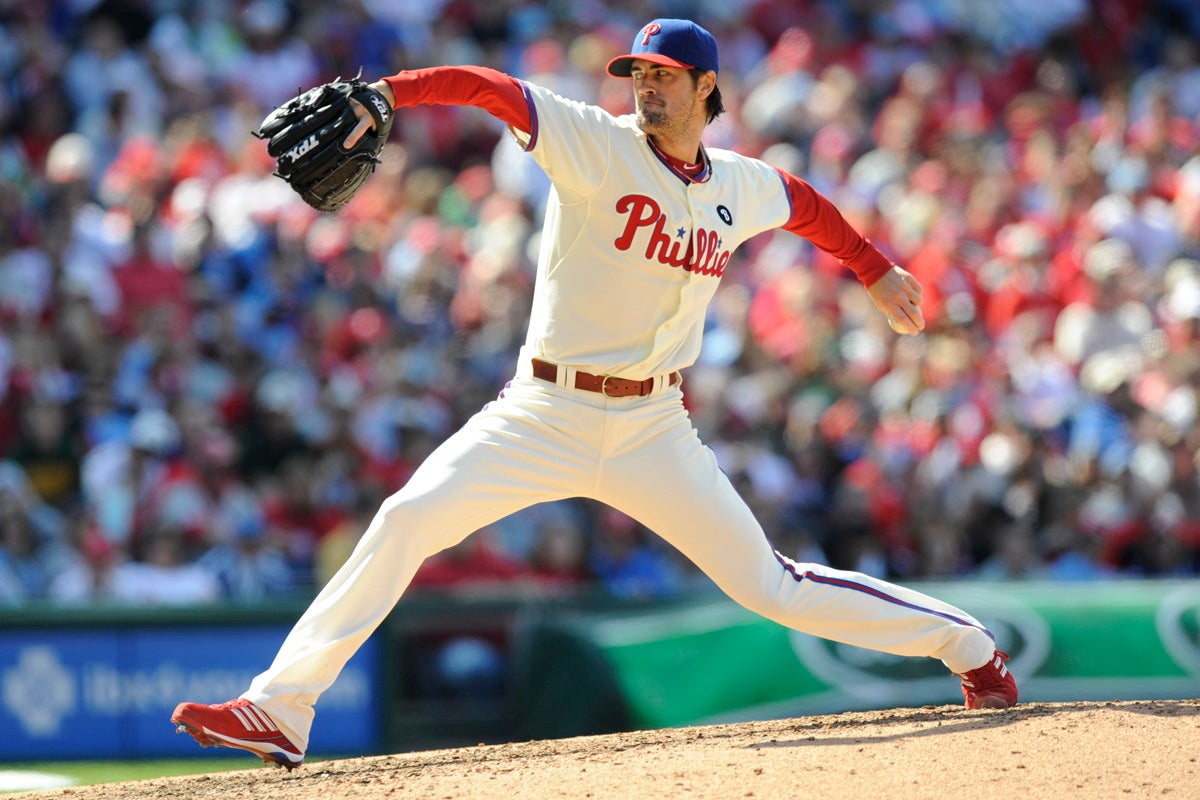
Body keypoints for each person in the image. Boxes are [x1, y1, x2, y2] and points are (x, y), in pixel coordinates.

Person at [171, 19, 1017, 769]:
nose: (645, 86)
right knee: (406, 519)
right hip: (544, 411)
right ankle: (281, 707)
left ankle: (969, 648)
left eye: (662, 75)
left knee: (772, 587)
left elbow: (803, 205)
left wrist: (873, 267)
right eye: (637, 74)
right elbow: (490, 90)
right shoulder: (594, 143)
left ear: (704, 87)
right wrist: (391, 93)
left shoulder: (739, 184)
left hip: (655, 426)